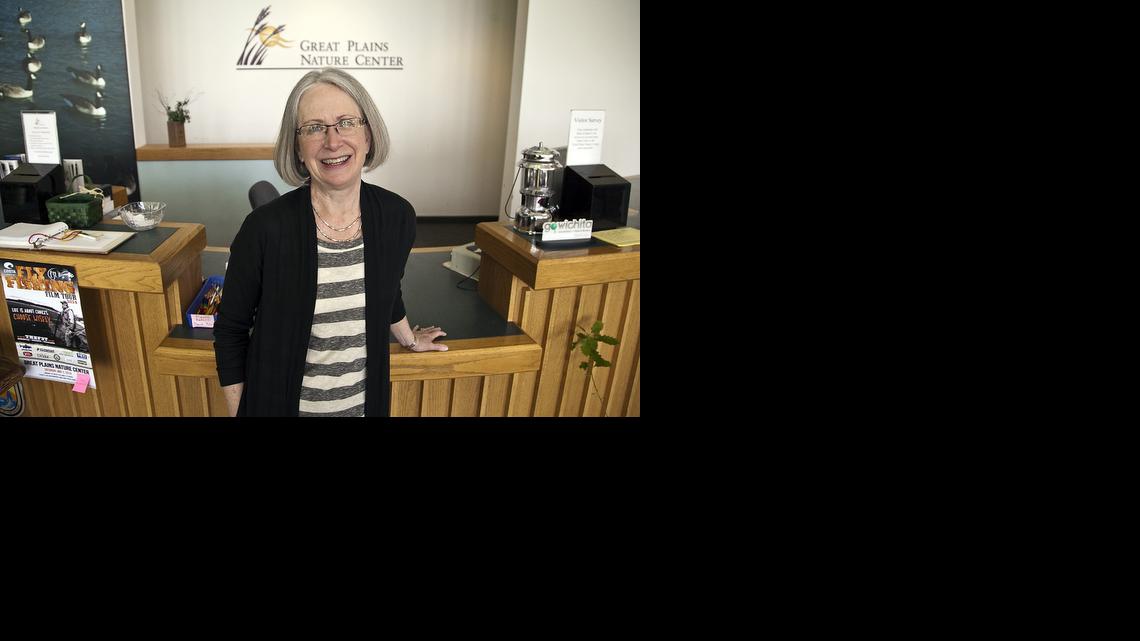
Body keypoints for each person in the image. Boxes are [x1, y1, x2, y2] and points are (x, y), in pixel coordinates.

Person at [214, 67, 447, 417]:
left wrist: (409, 339)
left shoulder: (397, 217)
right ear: (296, 146)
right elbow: (231, 332)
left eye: (346, 123)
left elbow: (388, 290)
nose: (333, 141)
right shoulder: (262, 229)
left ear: (368, 135)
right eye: (314, 128)